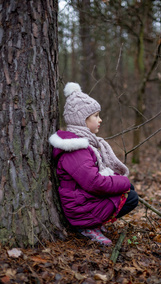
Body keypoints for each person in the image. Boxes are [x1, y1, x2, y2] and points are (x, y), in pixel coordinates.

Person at [49, 82, 138, 245]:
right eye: (96, 116)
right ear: (81, 120)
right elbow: (95, 183)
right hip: (79, 208)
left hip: (83, 199)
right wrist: (123, 181)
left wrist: (123, 183)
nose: (100, 120)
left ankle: (95, 222)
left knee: (128, 190)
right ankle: (89, 226)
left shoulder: (84, 145)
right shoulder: (74, 149)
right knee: (131, 196)